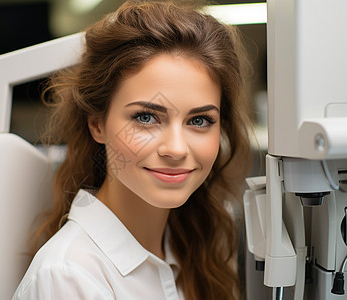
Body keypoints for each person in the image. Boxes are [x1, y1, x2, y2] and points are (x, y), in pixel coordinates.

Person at [13, 1, 252, 299]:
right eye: (146, 117)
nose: (176, 149)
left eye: (199, 120)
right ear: (97, 124)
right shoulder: (68, 279)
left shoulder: (196, 246)